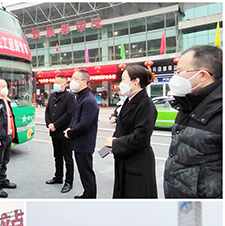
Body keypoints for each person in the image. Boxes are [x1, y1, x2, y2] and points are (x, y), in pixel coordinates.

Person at [164, 45, 222, 198]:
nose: (175, 76)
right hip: (181, 203)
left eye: (180, 71)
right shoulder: (187, 104)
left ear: (203, 75)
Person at [104, 66, 158, 198]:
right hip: (125, 159)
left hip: (138, 162)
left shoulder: (146, 104)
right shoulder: (129, 101)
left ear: (135, 81)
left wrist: (116, 143)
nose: (120, 84)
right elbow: (122, 129)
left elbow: (140, 138)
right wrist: (110, 146)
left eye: (123, 79)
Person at [64, 70, 99, 199]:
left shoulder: (88, 100)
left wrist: (70, 132)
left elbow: (85, 124)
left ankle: (90, 197)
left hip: (84, 143)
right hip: (80, 142)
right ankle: (87, 194)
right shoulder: (80, 97)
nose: (72, 81)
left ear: (84, 82)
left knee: (86, 172)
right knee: (84, 171)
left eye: (76, 78)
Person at [45, 74, 76, 193]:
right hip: (53, 132)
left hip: (64, 132)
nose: (56, 84)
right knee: (57, 156)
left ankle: (69, 182)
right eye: (55, 82)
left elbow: (69, 114)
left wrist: (56, 125)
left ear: (65, 84)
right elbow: (47, 111)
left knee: (67, 158)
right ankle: (58, 177)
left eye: (58, 82)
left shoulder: (70, 97)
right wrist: (49, 124)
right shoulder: (52, 96)